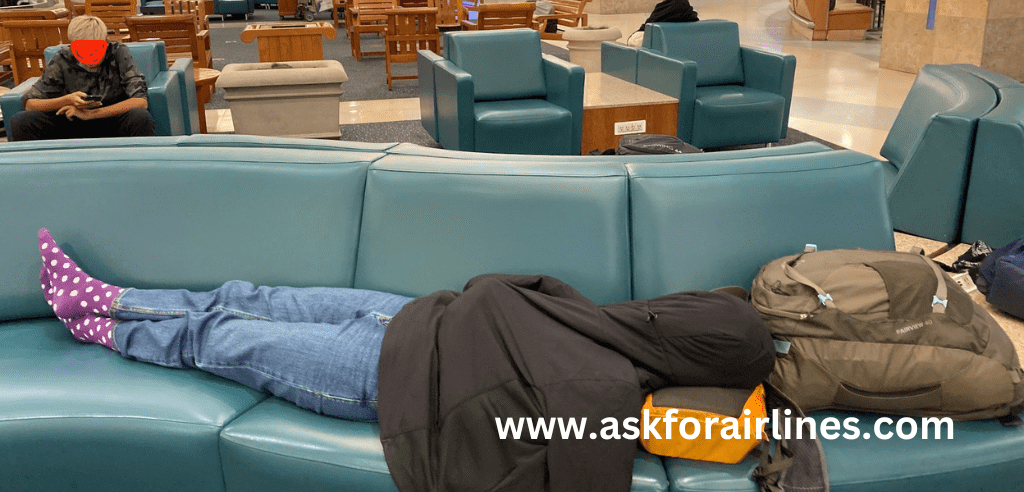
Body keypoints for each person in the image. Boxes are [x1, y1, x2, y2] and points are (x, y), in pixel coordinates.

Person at [39, 228, 775, 492]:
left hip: (380, 374)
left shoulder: (605, 382)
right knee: (248, 294)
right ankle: (115, 296)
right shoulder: (606, 325)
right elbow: (494, 293)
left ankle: (101, 319)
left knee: (226, 335)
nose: (661, 309)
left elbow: (569, 458)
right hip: (402, 312)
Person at [9, 16, 155, 142]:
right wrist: (67, 100)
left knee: (140, 117)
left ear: (105, 41)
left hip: (111, 117)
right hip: (72, 120)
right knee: (21, 121)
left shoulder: (118, 52)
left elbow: (140, 102)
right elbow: (31, 104)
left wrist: (91, 114)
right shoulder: (62, 58)